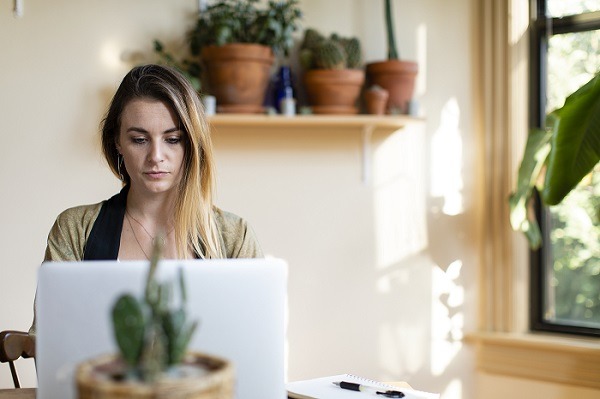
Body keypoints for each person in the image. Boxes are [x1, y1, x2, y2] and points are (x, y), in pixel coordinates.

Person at [44, 64, 263, 261]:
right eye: (139, 140)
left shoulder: (234, 236)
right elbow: (53, 307)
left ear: (193, 145)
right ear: (117, 142)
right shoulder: (75, 230)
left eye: (173, 139)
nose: (156, 156)